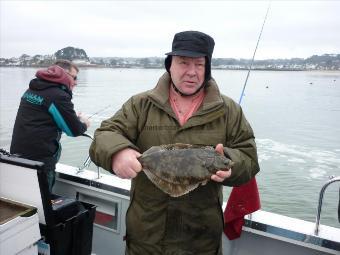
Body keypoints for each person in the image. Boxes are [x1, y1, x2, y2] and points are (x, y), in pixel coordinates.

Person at [89, 31, 260, 254]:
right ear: (170, 65)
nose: (191, 72)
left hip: (201, 240)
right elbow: (104, 135)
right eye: (183, 63)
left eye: (199, 64)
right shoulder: (141, 105)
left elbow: (249, 157)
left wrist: (231, 164)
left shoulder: (228, 111)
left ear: (207, 68)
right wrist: (117, 153)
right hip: (146, 237)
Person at [10, 59, 90, 192]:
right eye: (74, 78)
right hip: (40, 162)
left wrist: (69, 116)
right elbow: (74, 130)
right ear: (63, 74)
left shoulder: (32, 89)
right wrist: (84, 123)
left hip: (18, 157)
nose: (76, 82)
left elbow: (43, 115)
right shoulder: (58, 95)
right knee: (42, 203)